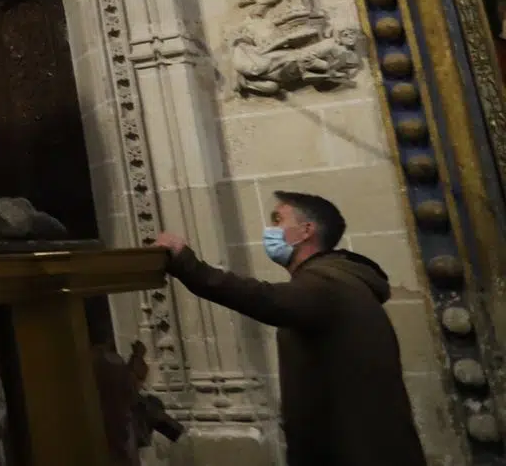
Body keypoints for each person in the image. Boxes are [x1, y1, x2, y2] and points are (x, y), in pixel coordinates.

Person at [154, 192, 425, 466]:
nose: (270, 230)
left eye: (278, 219)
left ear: (306, 231)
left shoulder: (330, 281)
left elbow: (263, 298)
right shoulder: (338, 277)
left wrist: (185, 261)